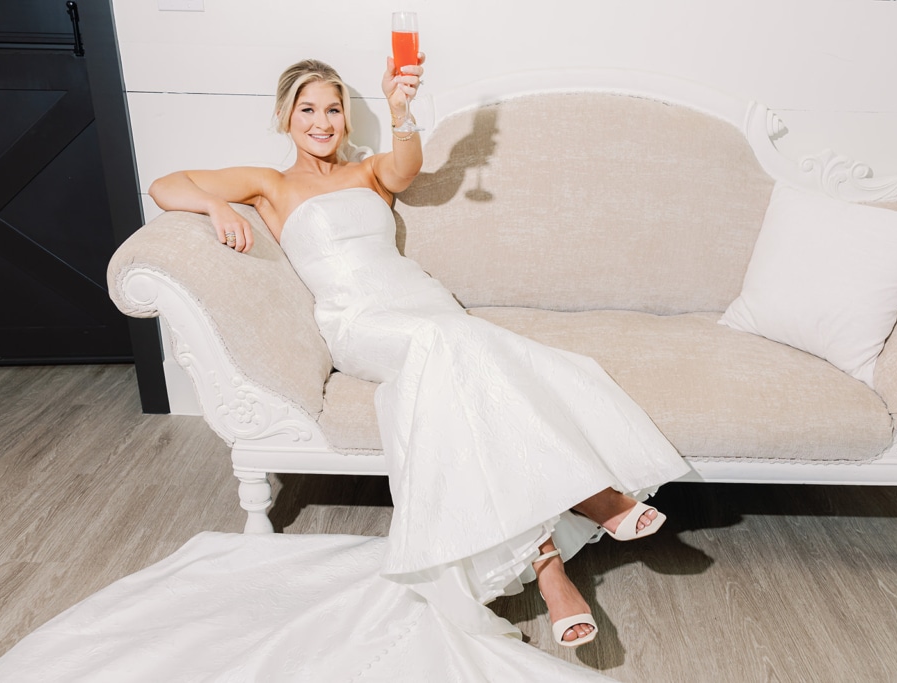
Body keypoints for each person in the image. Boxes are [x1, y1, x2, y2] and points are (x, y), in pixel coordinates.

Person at [149, 55, 691, 649]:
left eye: (334, 109)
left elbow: (407, 167)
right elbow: (166, 184)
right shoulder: (271, 184)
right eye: (308, 109)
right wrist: (214, 205)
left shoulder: (368, 174)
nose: (323, 121)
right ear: (285, 117)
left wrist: (400, 110)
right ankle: (592, 498)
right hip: (360, 323)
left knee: (466, 379)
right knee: (461, 345)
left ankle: (549, 568)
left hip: (425, 305)